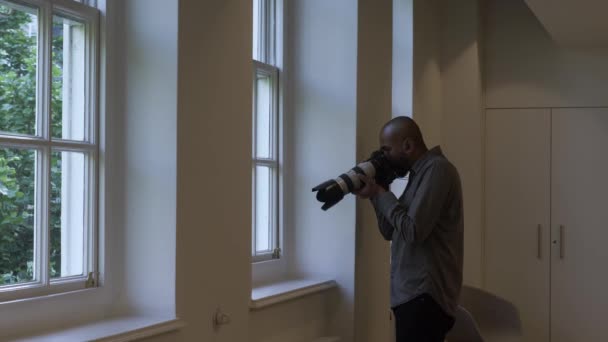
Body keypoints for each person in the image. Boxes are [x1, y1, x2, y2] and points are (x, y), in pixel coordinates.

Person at [355, 116, 464, 342]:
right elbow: (391, 231)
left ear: (407, 145)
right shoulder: (417, 176)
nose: (383, 157)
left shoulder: (438, 170)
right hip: (410, 295)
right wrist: (378, 192)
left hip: (426, 295)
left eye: (386, 150)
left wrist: (380, 194)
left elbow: (413, 231)